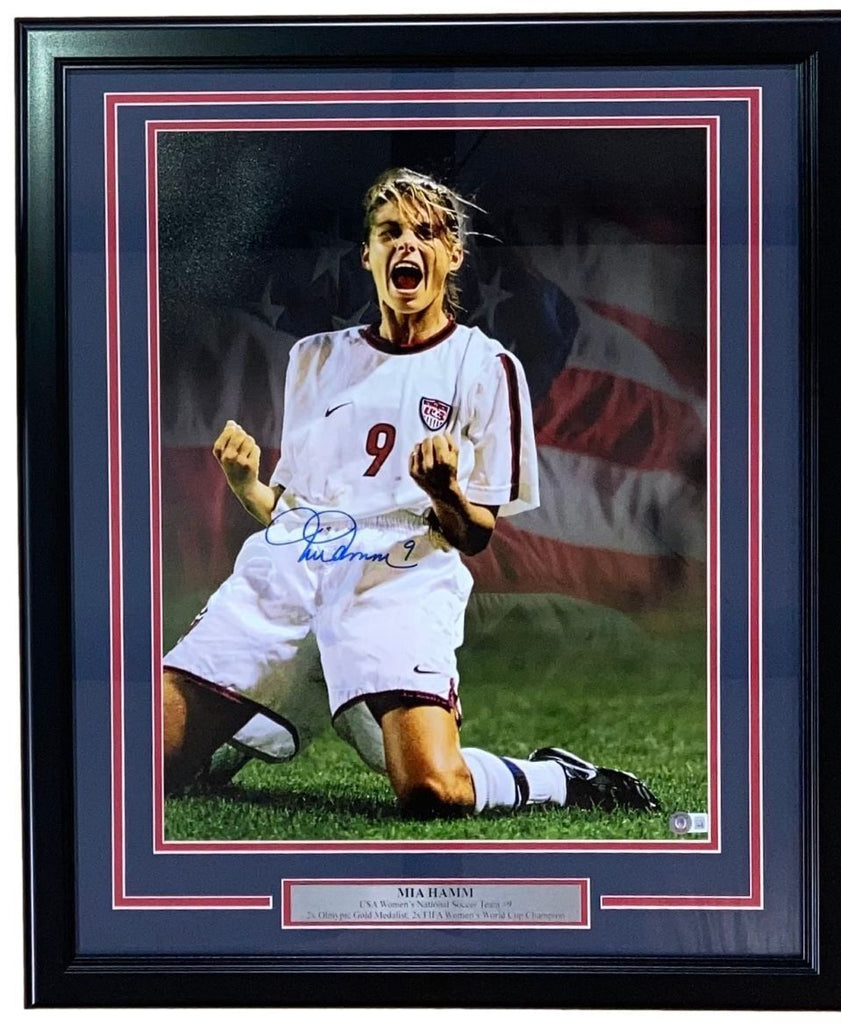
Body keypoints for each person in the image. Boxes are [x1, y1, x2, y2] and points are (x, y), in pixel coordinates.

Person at [163, 167, 659, 818]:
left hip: (396, 580)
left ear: (452, 255)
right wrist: (247, 484)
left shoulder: (485, 367)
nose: (407, 244)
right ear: (367, 254)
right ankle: (239, 726)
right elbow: (293, 514)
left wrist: (445, 491)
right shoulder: (314, 358)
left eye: (426, 232)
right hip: (291, 572)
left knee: (432, 790)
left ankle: (555, 778)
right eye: (390, 231)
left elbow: (474, 534)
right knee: (147, 763)